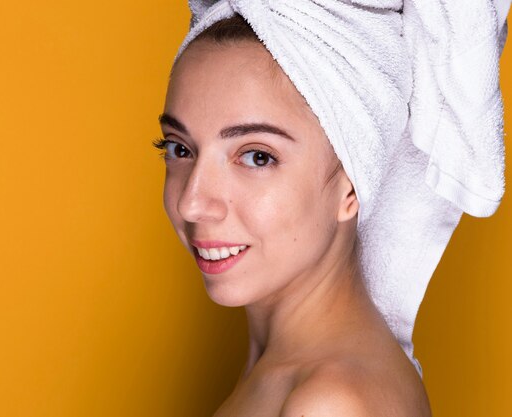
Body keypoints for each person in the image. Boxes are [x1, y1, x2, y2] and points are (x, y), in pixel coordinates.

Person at [154, 1, 509, 415]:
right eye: (180, 149)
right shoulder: (287, 375)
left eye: (257, 157)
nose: (192, 203)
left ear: (351, 186)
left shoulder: (330, 403)